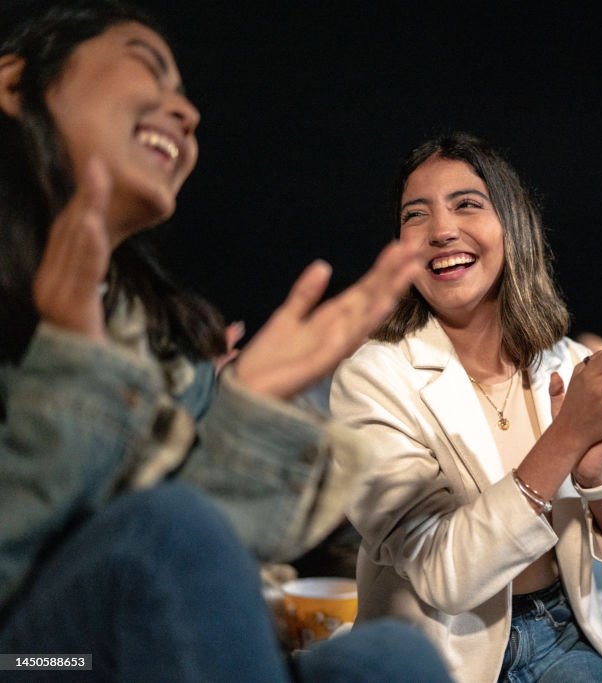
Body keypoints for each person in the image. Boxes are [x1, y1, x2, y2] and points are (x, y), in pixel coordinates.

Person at [0, 2, 449, 680]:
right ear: (13, 84)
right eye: (149, 68)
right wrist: (73, 366)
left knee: (389, 657)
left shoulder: (144, 330)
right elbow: (150, 546)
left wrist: (246, 414)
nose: (186, 112)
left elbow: (164, 574)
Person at [330, 132, 602, 683]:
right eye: (416, 216)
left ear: (515, 226)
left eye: (467, 204)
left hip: (561, 633)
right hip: (433, 653)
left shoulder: (570, 362)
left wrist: (596, 477)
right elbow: (446, 578)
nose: (441, 231)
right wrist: (564, 440)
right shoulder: (372, 378)